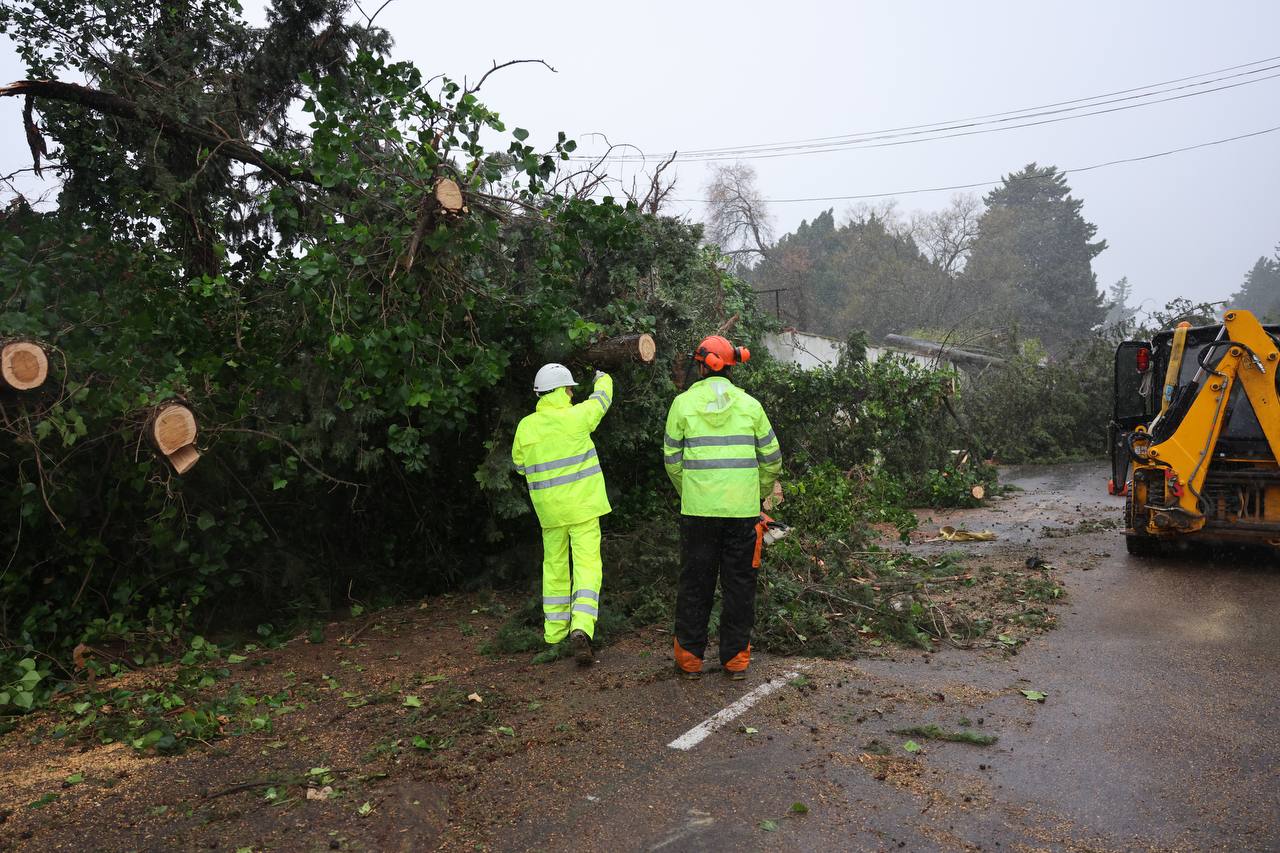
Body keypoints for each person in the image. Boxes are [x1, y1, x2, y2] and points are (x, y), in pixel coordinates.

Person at [663, 335, 782, 680]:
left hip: (698, 513)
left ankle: (688, 659)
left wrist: (691, 491)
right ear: (732, 366)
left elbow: (671, 460)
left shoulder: (682, 404)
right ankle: (735, 661)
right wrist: (757, 495)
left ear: (701, 365)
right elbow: (772, 460)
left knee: (695, 583)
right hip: (743, 515)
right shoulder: (750, 406)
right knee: (740, 585)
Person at [512, 363, 614, 665]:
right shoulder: (577, 416)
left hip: (550, 513)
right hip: (583, 507)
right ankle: (581, 627)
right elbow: (602, 400)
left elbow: (520, 465)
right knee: (587, 566)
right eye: (570, 388)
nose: (572, 393)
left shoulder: (525, 427)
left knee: (555, 569)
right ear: (563, 390)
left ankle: (554, 634)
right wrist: (603, 377)